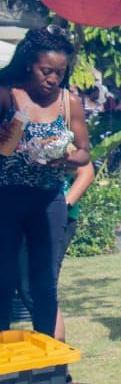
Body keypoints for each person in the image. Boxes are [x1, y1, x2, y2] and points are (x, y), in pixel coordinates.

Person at [0, 26, 91, 336]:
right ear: (29, 64)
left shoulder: (69, 102)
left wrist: (63, 159)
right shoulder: (7, 94)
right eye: (46, 71)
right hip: (8, 198)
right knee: (4, 278)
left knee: (44, 282)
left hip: (48, 200)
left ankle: (48, 359)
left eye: (60, 73)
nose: (52, 79)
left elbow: (84, 154)